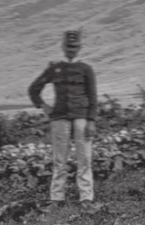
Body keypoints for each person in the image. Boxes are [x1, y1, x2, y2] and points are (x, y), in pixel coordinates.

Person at [28, 30, 98, 204]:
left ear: (79, 47)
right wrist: (44, 107)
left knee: (84, 159)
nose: (71, 49)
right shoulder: (55, 68)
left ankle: (86, 198)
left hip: (82, 118)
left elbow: (93, 97)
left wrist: (91, 121)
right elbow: (34, 89)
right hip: (60, 118)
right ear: (62, 46)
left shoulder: (86, 69)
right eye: (68, 46)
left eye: (74, 46)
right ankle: (57, 198)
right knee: (60, 160)